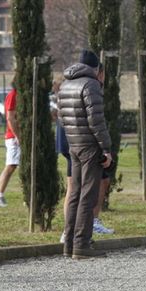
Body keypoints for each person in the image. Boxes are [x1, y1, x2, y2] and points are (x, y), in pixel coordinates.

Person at [57, 49, 112, 259]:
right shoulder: (91, 85)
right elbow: (96, 120)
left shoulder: (65, 84)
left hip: (73, 143)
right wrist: (106, 148)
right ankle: (82, 244)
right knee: (88, 195)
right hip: (90, 146)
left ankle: (69, 243)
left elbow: (61, 117)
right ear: (97, 69)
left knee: (74, 194)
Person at [0, 82, 19, 208]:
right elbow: (10, 118)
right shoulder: (13, 95)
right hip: (13, 138)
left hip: (20, 136)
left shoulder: (22, 96)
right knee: (11, 165)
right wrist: (17, 136)